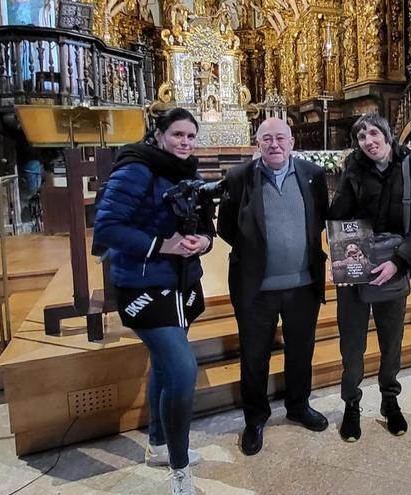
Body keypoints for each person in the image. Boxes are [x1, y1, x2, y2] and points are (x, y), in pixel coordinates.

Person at [94, 107, 213, 495]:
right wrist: (163, 245)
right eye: (178, 135)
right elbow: (108, 227)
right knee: (182, 370)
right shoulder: (136, 168)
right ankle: (179, 471)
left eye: (191, 137)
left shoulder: (190, 171)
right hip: (144, 286)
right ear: (159, 134)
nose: (185, 143)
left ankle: (159, 444)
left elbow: (208, 224)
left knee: (164, 366)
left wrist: (203, 242)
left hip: (182, 284)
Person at [217, 117, 330, 456]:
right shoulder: (238, 179)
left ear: (292, 142)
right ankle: (255, 418)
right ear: (257, 143)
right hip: (256, 288)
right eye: (267, 139)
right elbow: (226, 227)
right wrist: (256, 253)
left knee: (300, 351)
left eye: (281, 138)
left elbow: (320, 219)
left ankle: (298, 405)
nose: (274, 144)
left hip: (303, 285)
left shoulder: (313, 175)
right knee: (254, 357)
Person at [328, 113, 411, 442]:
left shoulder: (409, 168)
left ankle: (390, 399)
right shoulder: (354, 169)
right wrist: (348, 180)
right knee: (352, 344)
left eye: (374, 133)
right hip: (356, 267)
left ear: (387, 136)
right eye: (361, 137)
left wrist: (399, 262)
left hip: (393, 266)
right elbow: (337, 218)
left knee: (391, 342)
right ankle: (351, 404)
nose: (369, 141)